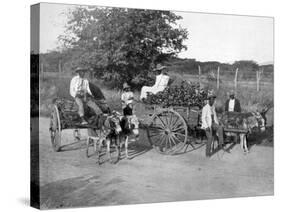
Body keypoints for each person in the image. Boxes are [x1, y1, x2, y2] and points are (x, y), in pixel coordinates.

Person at [201, 93, 224, 157]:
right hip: (208, 125)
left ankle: (220, 143)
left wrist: (217, 123)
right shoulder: (205, 108)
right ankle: (207, 153)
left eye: (214, 100)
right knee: (210, 138)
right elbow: (203, 118)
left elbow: (215, 116)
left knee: (220, 128)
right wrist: (206, 126)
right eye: (212, 100)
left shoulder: (213, 107)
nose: (213, 101)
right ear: (209, 100)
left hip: (213, 124)